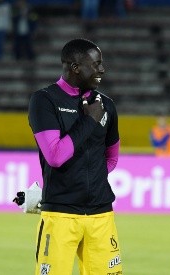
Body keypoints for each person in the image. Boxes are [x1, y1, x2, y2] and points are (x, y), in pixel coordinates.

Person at [28, 38, 123, 275]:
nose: (102, 69)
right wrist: (89, 120)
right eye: (96, 64)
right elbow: (55, 156)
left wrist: (90, 176)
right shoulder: (45, 100)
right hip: (61, 215)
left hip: (101, 215)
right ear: (75, 67)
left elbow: (111, 156)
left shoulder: (106, 106)